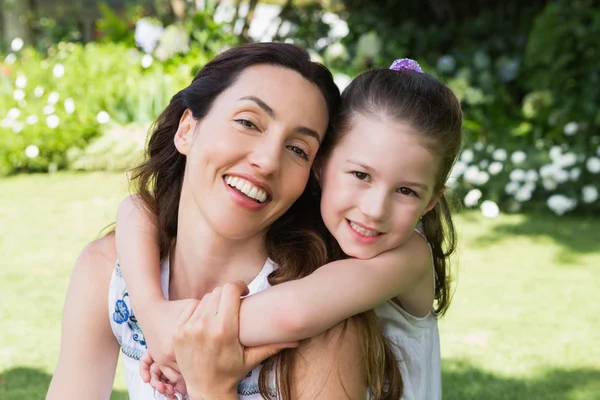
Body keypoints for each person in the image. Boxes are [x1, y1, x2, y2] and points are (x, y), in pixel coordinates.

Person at [47, 42, 396, 400]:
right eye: (247, 122)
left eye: (298, 149)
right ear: (187, 130)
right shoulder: (111, 274)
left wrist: (211, 389)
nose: (268, 161)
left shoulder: (324, 326)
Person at [117, 58, 463, 400]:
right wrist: (151, 312)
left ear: (431, 200)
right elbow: (134, 209)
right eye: (361, 175)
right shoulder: (321, 235)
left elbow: (291, 313)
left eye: (406, 191)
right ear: (321, 167)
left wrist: (180, 334)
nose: (375, 210)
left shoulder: (409, 257)